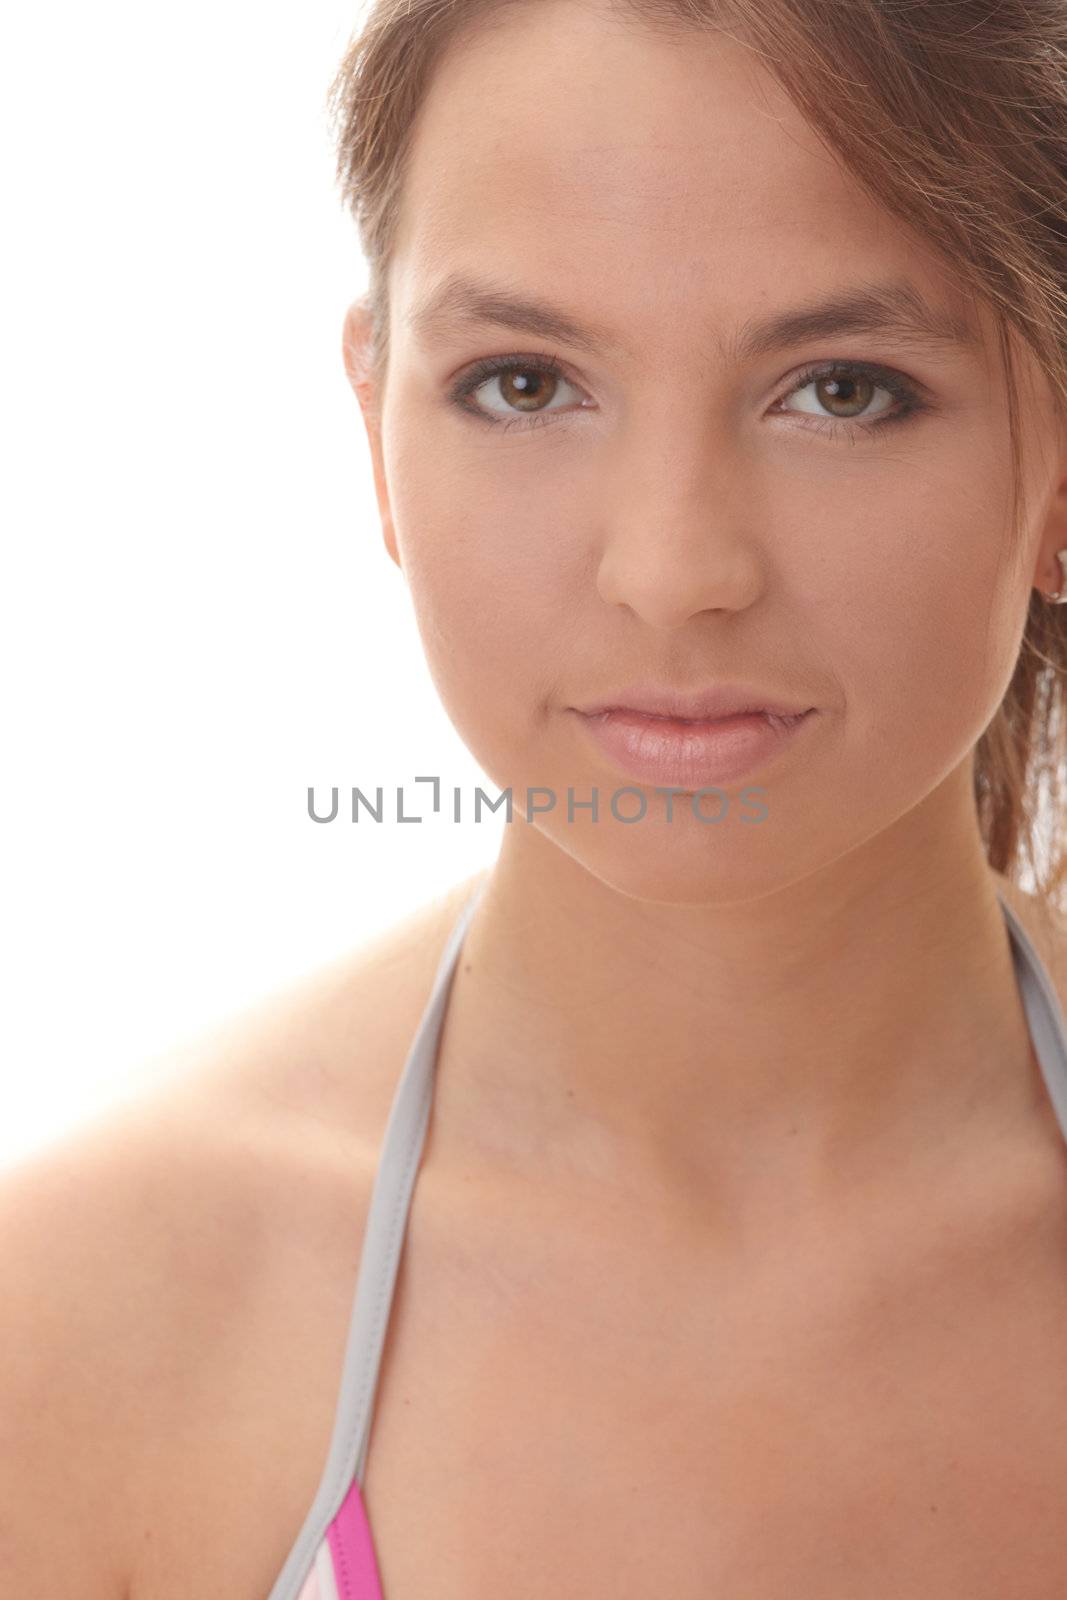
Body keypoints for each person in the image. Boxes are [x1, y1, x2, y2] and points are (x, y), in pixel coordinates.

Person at [5, 2, 1067, 1595]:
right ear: (374, 424)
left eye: (842, 389)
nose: (674, 571)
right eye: (523, 384)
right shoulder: (87, 1319)